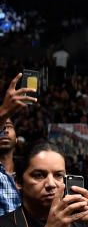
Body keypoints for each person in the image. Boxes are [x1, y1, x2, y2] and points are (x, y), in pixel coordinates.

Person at [0, 72, 39, 216]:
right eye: (1, 127)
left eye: (8, 127)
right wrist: (3, 111)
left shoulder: (28, 172)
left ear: (16, 138)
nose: (4, 131)